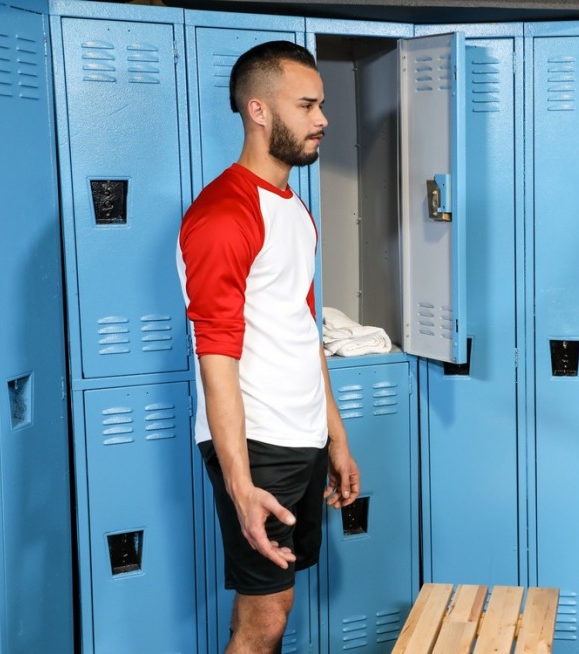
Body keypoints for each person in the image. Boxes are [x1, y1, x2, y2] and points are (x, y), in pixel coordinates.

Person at [177, 40, 360, 653]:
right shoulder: (223, 214)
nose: (322, 119)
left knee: (270, 609)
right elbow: (216, 355)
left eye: (321, 105)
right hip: (257, 445)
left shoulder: (294, 209)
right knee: (266, 619)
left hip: (300, 437)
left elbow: (304, 332)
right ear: (258, 110)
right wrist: (239, 484)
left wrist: (335, 437)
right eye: (306, 106)